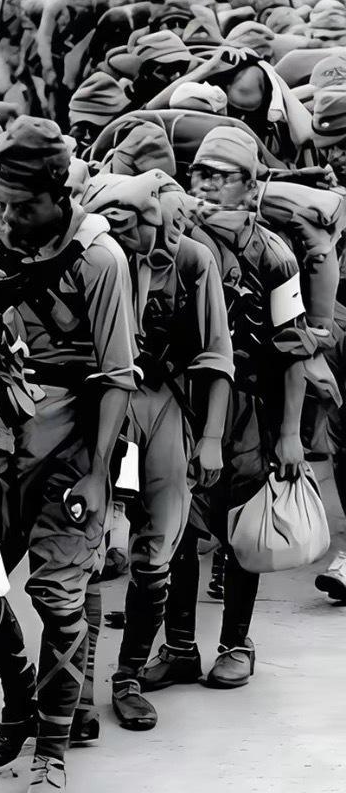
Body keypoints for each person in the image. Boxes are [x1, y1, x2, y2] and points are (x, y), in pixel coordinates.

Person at [0, 118, 137, 792]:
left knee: (59, 598)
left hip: (70, 448)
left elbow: (117, 377)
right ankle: (20, 700)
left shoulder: (99, 260)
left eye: (21, 207)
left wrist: (99, 473)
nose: (4, 218)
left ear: (59, 195)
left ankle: (52, 746)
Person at [146, 127, 314, 691]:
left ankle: (237, 644)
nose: (209, 184)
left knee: (242, 527)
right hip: (181, 397)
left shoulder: (275, 255)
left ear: (250, 184)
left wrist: (290, 433)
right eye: (201, 172)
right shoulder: (176, 243)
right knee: (176, 526)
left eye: (223, 175)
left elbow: (293, 350)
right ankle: (179, 646)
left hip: (249, 405)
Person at [77, 171, 233, 732]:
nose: (157, 241)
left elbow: (217, 354)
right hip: (100, 402)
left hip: (165, 401)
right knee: (84, 548)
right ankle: (75, 692)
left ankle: (128, 677)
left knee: (158, 545)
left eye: (168, 228)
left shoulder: (193, 261)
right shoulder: (95, 258)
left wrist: (211, 437)